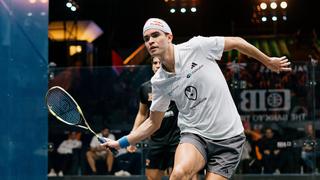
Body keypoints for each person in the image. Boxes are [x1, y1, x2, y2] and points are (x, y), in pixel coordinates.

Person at [102, 18, 292, 179]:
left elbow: (237, 42)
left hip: (229, 139)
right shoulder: (159, 82)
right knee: (178, 174)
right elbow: (153, 122)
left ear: (169, 37)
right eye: (146, 38)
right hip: (195, 135)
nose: (150, 41)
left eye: (155, 35)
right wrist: (121, 142)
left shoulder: (196, 47)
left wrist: (268, 61)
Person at [127, 56, 181, 180]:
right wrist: (132, 137)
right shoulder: (145, 88)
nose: (157, 65)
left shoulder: (179, 83)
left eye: (161, 62)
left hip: (178, 139)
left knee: (181, 176)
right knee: (151, 177)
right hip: (156, 140)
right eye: (155, 63)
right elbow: (141, 114)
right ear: (152, 66)